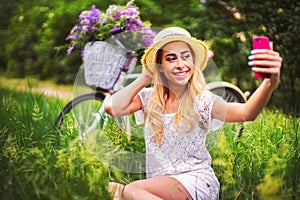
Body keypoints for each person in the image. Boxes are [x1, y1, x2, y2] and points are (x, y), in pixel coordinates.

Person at [104, 27, 282, 200]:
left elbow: (246, 113)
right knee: (112, 190)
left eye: (185, 57)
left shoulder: (202, 100)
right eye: (171, 58)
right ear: (160, 67)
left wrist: (269, 83)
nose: (181, 64)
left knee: (132, 190)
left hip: (196, 182)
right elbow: (113, 108)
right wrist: (144, 78)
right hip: (159, 186)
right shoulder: (148, 99)